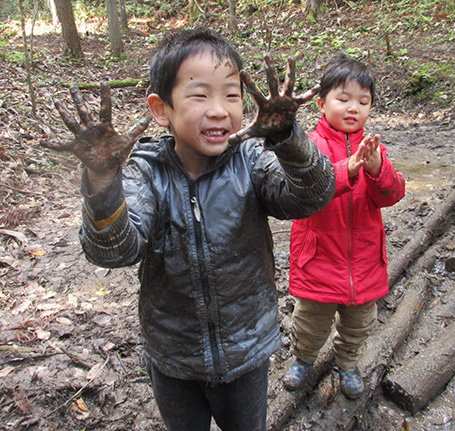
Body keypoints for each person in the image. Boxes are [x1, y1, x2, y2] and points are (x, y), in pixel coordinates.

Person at [41, 28, 335, 431]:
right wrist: (103, 181)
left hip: (246, 352)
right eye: (200, 95)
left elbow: (312, 195)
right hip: (173, 358)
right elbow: (113, 250)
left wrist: (288, 139)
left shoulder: (250, 160)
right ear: (161, 109)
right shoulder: (146, 175)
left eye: (231, 95)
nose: (218, 110)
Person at [283, 54, 405, 399]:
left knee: (359, 323)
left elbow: (391, 196)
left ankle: (348, 363)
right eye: (343, 99)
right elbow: (303, 193)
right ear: (321, 103)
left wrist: (377, 167)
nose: (354, 108)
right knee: (310, 321)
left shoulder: (374, 149)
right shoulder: (309, 146)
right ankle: (303, 360)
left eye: (363, 102)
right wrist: (347, 170)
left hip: (365, 261)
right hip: (319, 259)